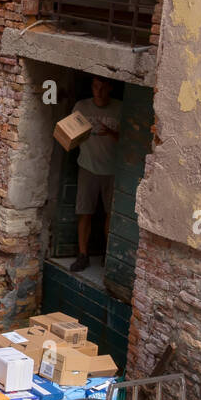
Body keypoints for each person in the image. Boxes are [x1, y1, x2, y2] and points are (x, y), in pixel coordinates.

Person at [71, 76, 122, 271]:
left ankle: (107, 257)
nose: (98, 92)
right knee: (84, 213)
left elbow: (131, 139)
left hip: (112, 170)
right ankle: (83, 255)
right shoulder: (81, 107)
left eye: (102, 87)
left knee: (111, 214)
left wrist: (111, 133)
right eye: (95, 87)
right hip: (87, 167)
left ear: (110, 88)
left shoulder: (121, 108)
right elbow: (69, 135)